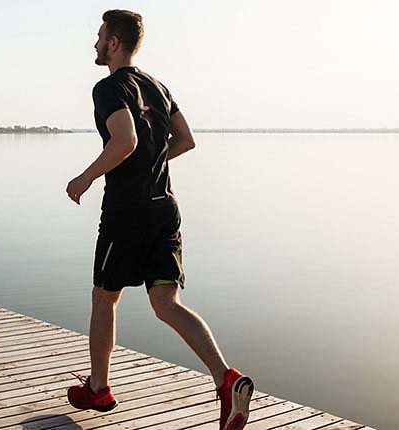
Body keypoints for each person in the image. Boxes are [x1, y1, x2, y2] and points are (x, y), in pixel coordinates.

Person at [64, 9, 254, 430]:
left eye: (99, 37)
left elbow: (126, 140)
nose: (94, 43)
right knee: (167, 304)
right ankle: (226, 378)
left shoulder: (109, 88)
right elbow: (185, 139)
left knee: (104, 297)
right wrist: (155, 162)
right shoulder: (158, 86)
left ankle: (99, 388)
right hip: (164, 210)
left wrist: (85, 177)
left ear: (114, 42)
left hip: (126, 214)